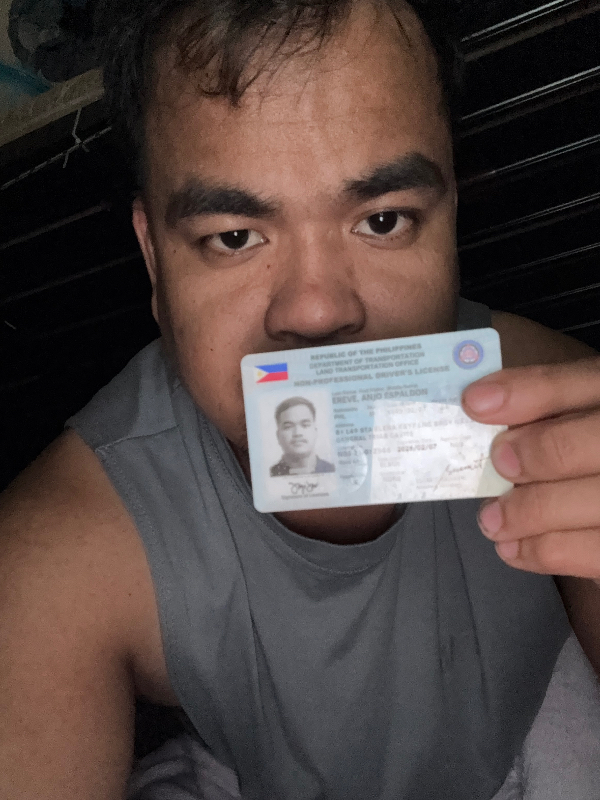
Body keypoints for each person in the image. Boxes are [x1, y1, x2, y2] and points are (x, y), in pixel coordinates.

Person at [2, 1, 600, 798]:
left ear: (449, 218)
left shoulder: (559, 412)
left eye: (382, 220)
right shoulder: (55, 559)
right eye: (234, 236)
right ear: (153, 258)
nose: (316, 313)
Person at [270, 397, 335, 476]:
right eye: (288, 427)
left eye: (305, 425)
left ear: (315, 431)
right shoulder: (269, 474)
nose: (297, 433)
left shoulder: (332, 471)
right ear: (278, 436)